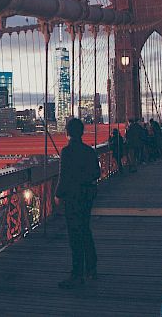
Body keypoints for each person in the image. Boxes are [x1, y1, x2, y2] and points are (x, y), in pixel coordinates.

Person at [55, 118, 101, 289]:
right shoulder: (90, 151)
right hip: (87, 196)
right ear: (82, 132)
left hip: (73, 197)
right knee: (85, 229)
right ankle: (91, 267)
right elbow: (96, 173)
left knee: (75, 235)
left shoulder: (66, 152)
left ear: (67, 133)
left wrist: (58, 194)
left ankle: (77, 275)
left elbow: (64, 177)